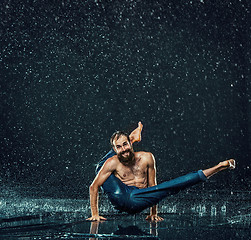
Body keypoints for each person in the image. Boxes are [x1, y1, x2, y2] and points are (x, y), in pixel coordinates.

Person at [86, 122, 236, 222]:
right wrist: (95, 214)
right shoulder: (112, 162)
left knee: (171, 185)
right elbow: (94, 187)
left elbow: (154, 186)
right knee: (100, 167)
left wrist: (153, 213)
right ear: (114, 150)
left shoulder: (147, 158)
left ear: (130, 144)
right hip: (121, 197)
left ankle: (219, 167)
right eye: (118, 147)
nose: (123, 149)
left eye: (125, 144)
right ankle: (134, 136)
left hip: (139, 199)